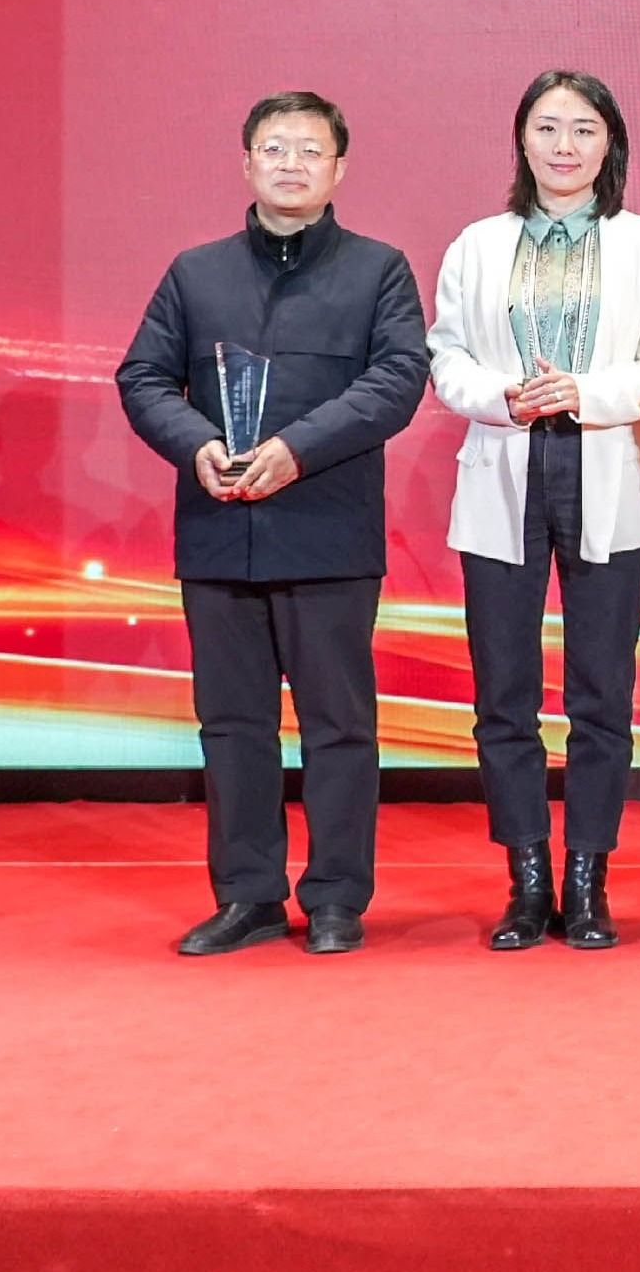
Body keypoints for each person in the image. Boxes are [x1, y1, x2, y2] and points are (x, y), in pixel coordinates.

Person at [116, 90, 430, 958]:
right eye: (275, 148)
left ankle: (336, 897)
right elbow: (143, 377)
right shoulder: (195, 273)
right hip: (220, 529)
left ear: (339, 168)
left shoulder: (379, 270)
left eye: (310, 150)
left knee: (339, 726)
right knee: (232, 725)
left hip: (328, 531)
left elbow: (397, 379)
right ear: (247, 162)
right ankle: (247, 894)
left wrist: (297, 449)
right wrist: (197, 443)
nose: (292, 163)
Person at [424, 71, 640, 952]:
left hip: (603, 463)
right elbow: (446, 355)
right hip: (504, 464)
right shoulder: (478, 243)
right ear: (522, 139)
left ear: (610, 143)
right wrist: (504, 395)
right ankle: (527, 880)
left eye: (583, 128)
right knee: (503, 691)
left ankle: (588, 879)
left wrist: (586, 392)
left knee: (602, 691)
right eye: (547, 127)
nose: (564, 145)